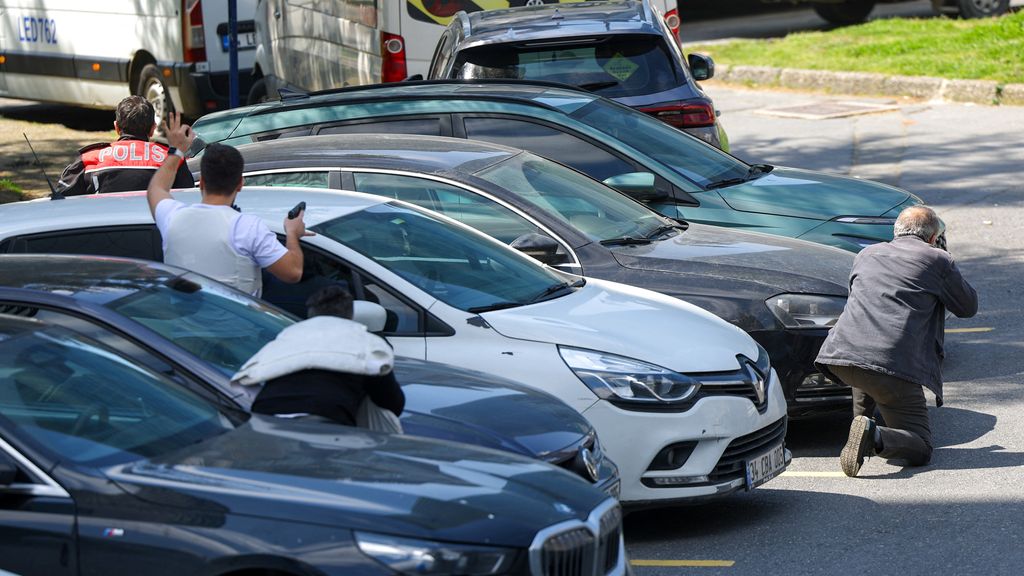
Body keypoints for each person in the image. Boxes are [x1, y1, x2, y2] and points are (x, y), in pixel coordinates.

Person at [816, 205, 978, 477]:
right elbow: (968, 306)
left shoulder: (866, 254)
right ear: (932, 237)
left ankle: (861, 427)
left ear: (896, 231)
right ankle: (875, 437)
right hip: (891, 363)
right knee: (921, 447)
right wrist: (945, 262)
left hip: (841, 354)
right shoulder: (937, 259)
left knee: (867, 369)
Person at [146, 112, 306, 297]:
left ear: (202, 182)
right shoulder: (248, 228)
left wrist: (177, 150)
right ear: (240, 184)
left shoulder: (173, 218)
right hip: (238, 326)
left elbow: (156, 188)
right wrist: (293, 233)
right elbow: (293, 272)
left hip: (182, 325)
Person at [232, 285, 405, 427]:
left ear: (310, 313)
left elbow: (248, 379)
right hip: (328, 421)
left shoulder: (286, 338)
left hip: (266, 417)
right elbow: (393, 404)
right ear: (350, 314)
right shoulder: (365, 344)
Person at [56, 96, 194, 196]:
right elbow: (188, 201)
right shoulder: (172, 160)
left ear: (116, 127)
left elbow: (60, 200)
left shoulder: (89, 159)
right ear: (152, 129)